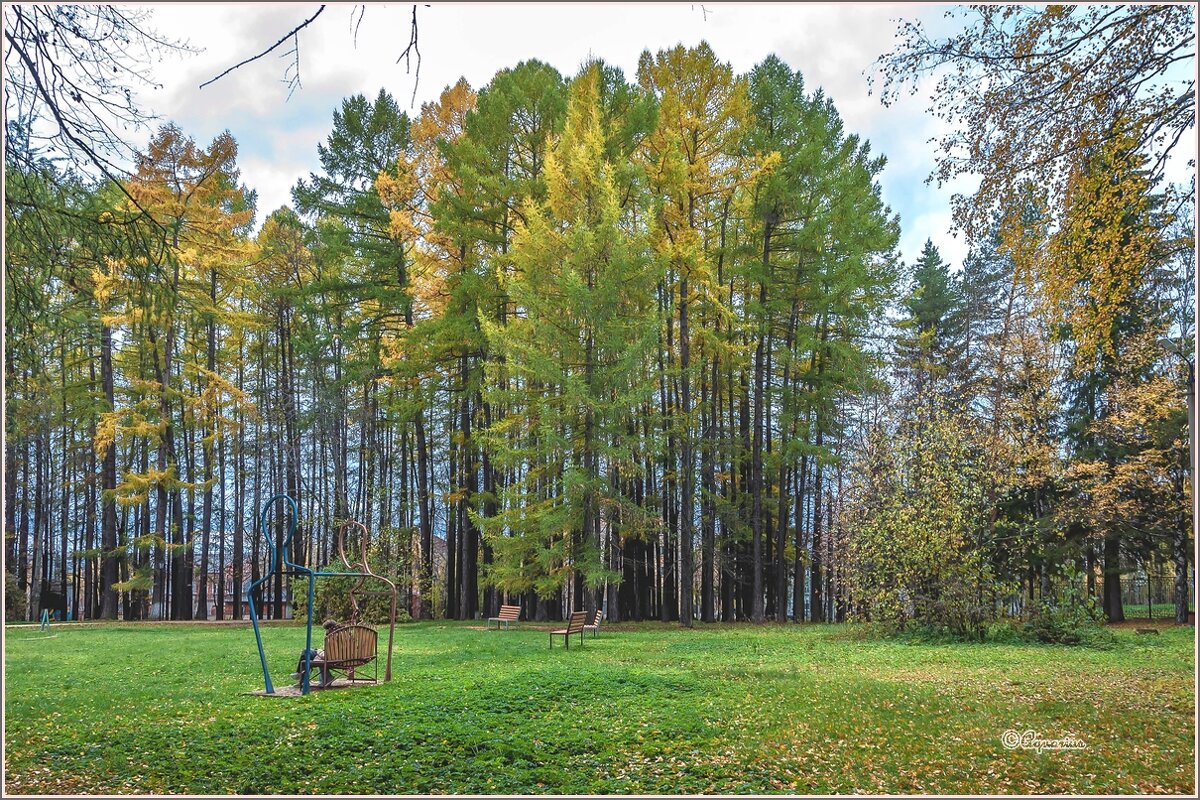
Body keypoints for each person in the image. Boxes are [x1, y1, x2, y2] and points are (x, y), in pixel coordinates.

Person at [291, 619, 340, 685]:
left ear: (329, 629)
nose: (326, 632)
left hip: (330, 658)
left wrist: (318, 651)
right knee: (306, 651)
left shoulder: (332, 638)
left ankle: (301, 677)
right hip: (343, 658)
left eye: (326, 630)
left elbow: (326, 655)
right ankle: (300, 676)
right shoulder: (344, 636)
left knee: (306, 653)